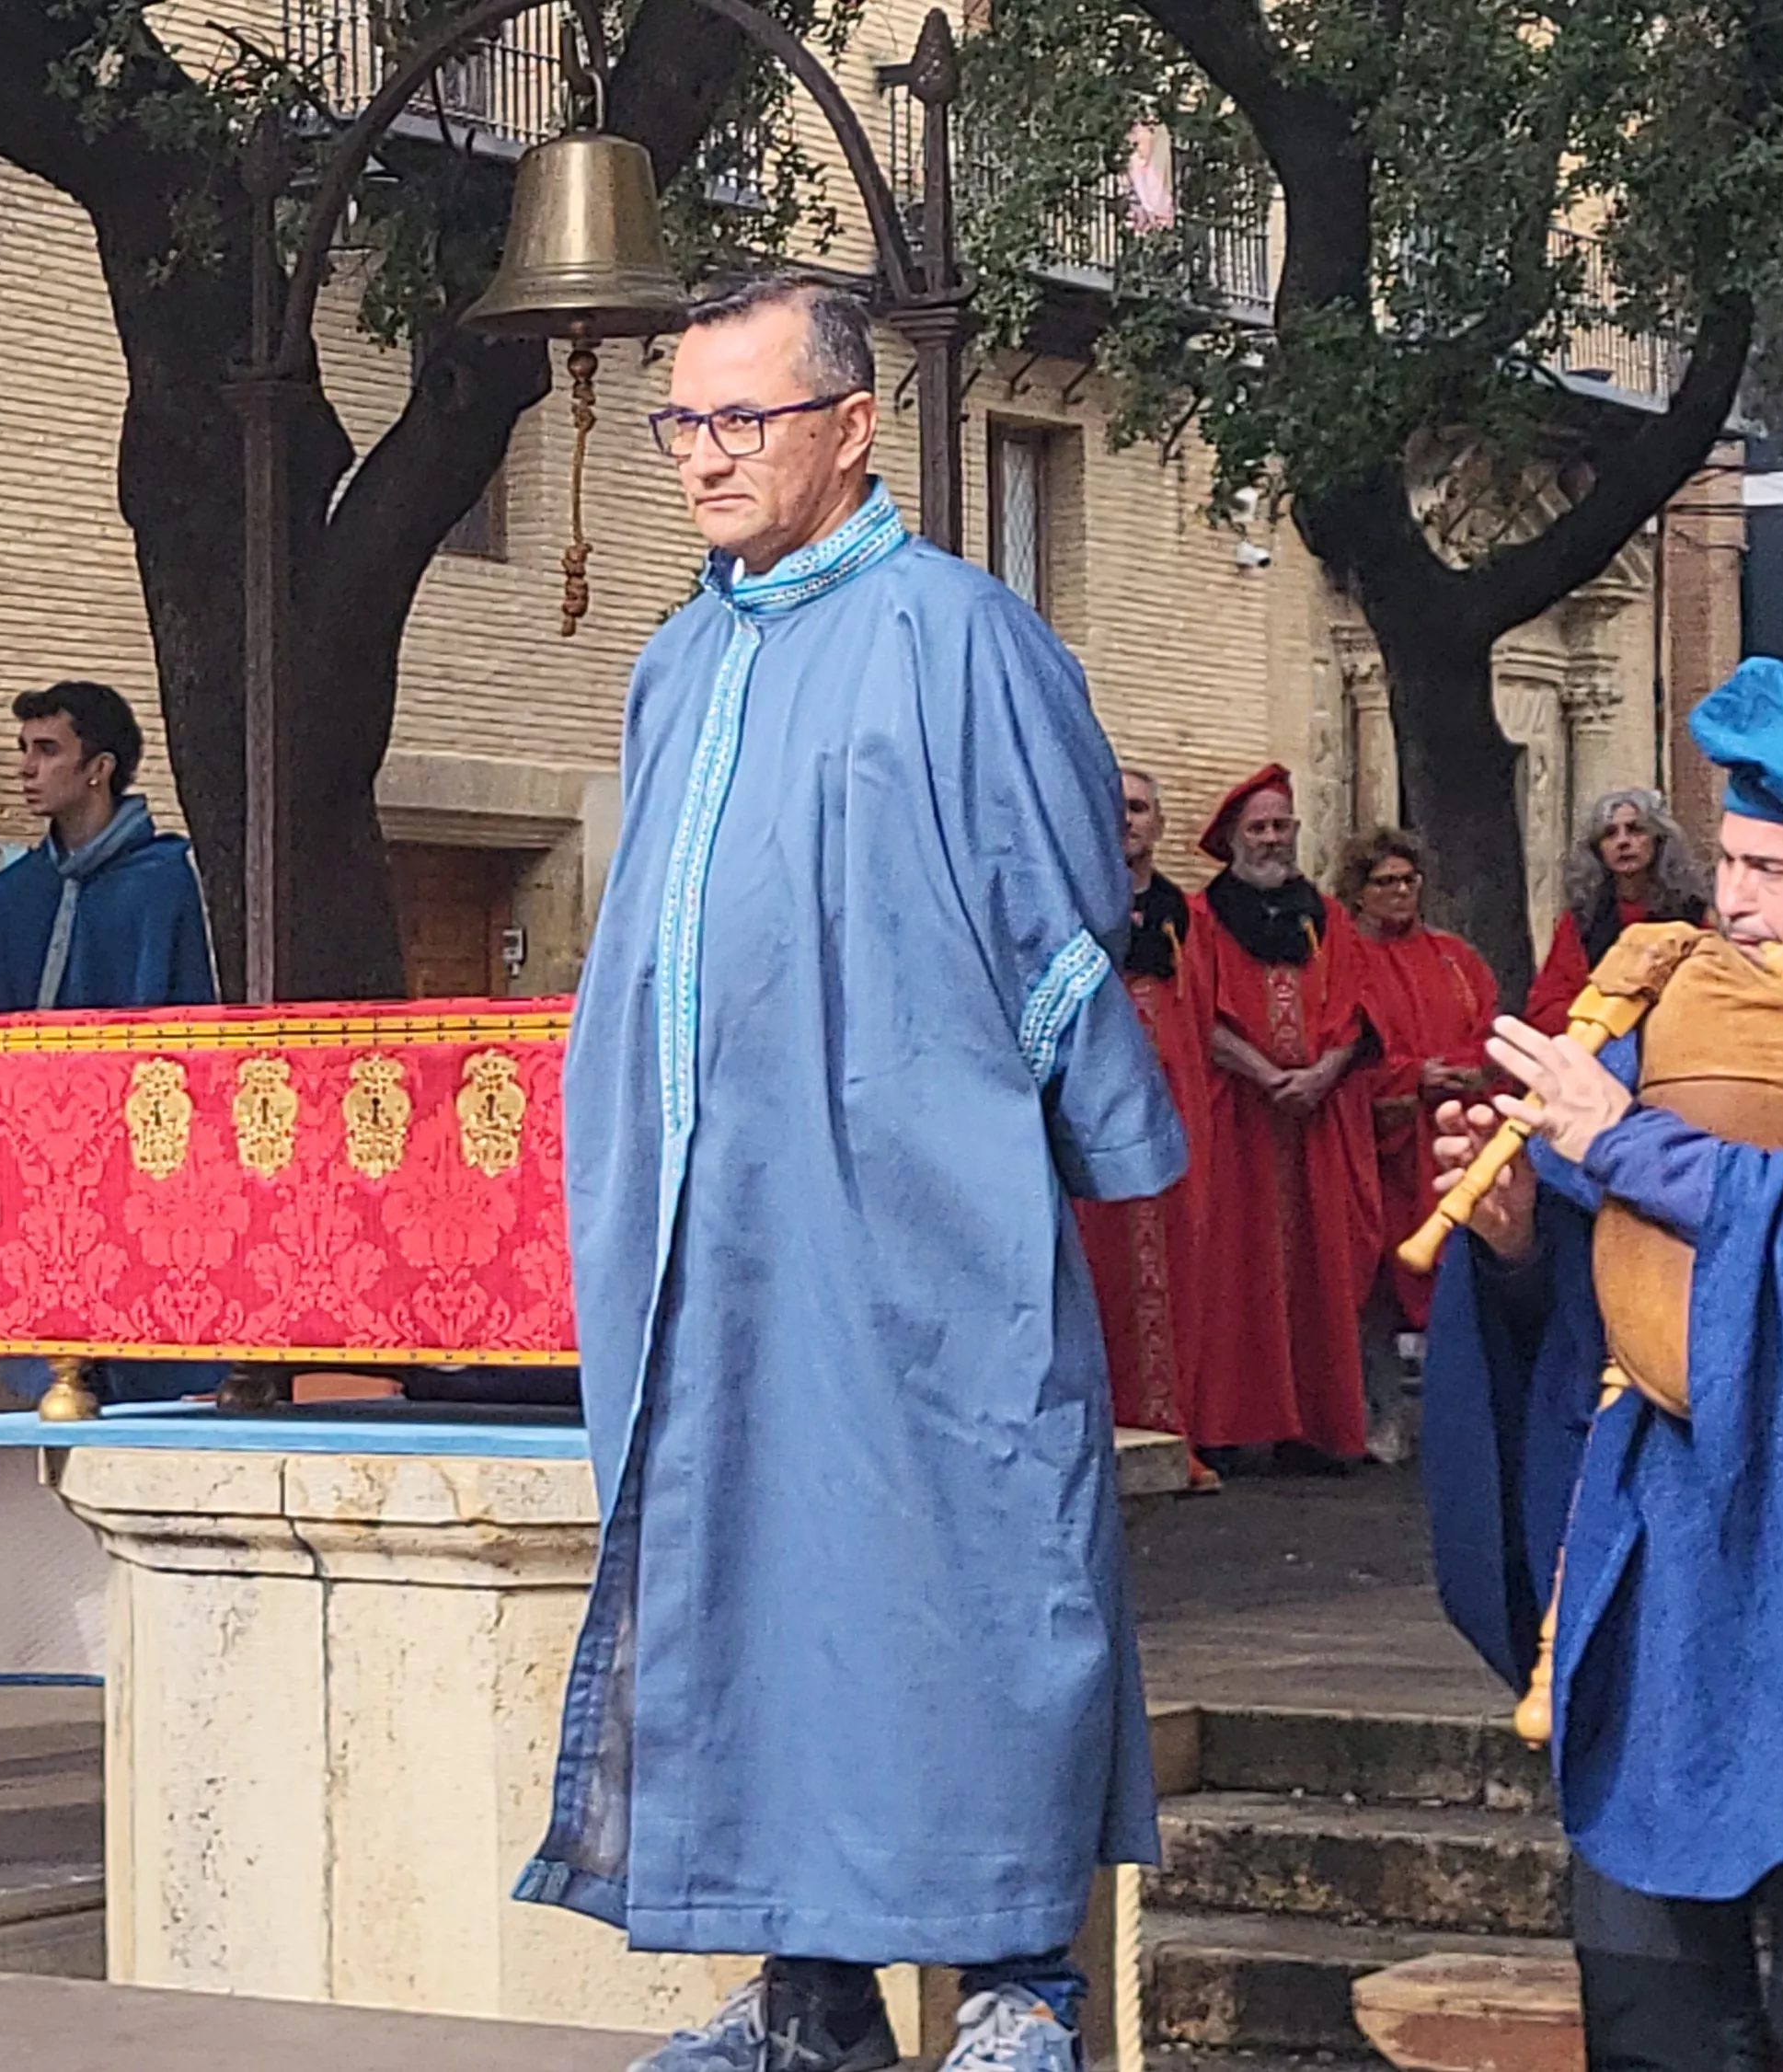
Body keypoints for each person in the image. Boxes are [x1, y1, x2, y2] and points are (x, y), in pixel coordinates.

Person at [521, 276, 1184, 2072]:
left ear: (847, 424)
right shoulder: (676, 658)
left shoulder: (955, 633)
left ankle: (1016, 1991)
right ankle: (806, 1990)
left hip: (912, 1221)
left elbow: (1059, 918)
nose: (701, 456)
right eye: (678, 422)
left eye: (739, 418)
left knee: (966, 1590)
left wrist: (1094, 1157)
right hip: (710, 1237)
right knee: (755, 1587)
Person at [1421, 656, 1783, 2072]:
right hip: (1674, 1555)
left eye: (1770, 868)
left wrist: (1621, 1140)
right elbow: (1610, 1273)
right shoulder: (1698, 998)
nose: (1729, 900)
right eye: (1728, 860)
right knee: (1644, 1984)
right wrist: (1514, 1239)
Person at [0, 679, 216, 1208]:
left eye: (48, 750)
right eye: (24, 749)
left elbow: (193, 1035)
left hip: (136, 1171)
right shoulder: (9, 899)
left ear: (98, 769)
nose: (27, 768)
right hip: (24, 1172)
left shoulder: (167, 885)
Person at [1176, 767, 1377, 1473]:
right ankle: (1229, 1428)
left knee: (1315, 1274)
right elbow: (1194, 1013)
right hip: (1239, 1121)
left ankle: (1313, 1428)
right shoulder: (1198, 921)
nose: (1271, 839)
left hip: (1314, 1121)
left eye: (1280, 826)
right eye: (1258, 828)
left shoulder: (1328, 917)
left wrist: (1321, 1073)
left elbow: (1358, 1007)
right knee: (1235, 1269)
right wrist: (1267, 1075)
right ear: (1232, 840)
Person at [1330, 828, 1495, 1465]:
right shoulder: (1344, 959)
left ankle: (1455, 1421)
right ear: (1360, 891)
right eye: (1384, 882)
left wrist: (1467, 1068)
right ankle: (1381, 1420)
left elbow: (1483, 1023)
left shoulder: (1455, 957)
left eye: (1408, 880)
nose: (1400, 892)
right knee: (1375, 1290)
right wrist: (1408, 1077)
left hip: (1450, 1142)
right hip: (1384, 1151)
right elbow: (1346, 1043)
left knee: (1457, 1283)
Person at [1072, 768, 1210, 1458]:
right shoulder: (1066, 900)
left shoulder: (1186, 917)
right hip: (1089, 1119)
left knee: (1168, 1281)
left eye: (1139, 809)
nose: (1128, 821)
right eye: (1115, 807)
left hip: (1172, 1117)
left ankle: (1169, 1429)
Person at [1524, 789, 1711, 1031]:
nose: (1623, 842)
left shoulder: (1694, 912)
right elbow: (1545, 1007)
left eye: (1635, 830)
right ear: (1597, 849)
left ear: (1658, 839)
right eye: (1610, 834)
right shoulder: (1583, 920)